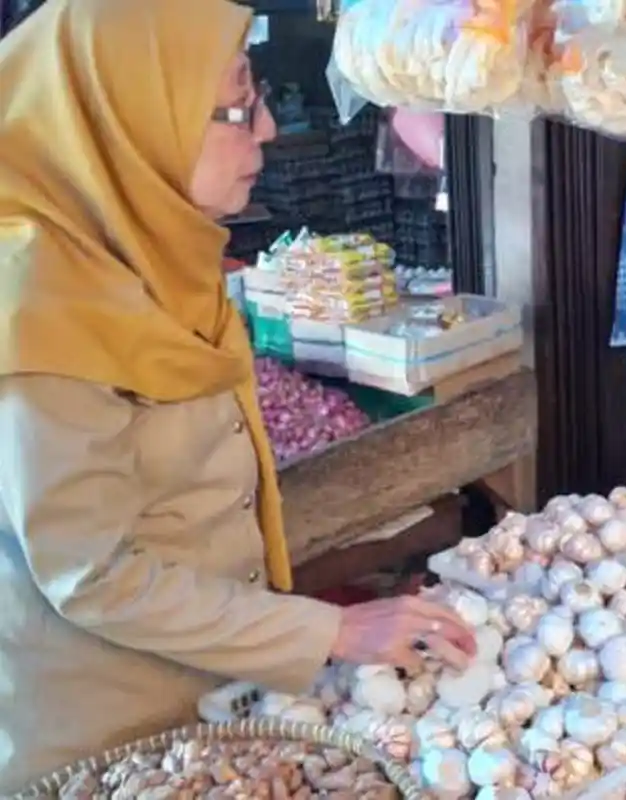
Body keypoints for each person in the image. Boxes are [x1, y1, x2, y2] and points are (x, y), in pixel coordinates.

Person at [0, 0, 476, 790]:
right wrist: (332, 630)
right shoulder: (40, 304)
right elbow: (92, 574)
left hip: (217, 703)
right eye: (232, 106)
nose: (265, 131)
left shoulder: (163, 252)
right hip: (113, 740)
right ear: (127, 118)